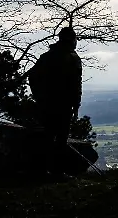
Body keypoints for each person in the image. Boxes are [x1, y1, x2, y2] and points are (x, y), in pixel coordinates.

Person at [27, 27, 82, 178]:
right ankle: (57, 172)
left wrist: (39, 96)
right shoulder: (72, 58)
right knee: (61, 139)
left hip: (46, 103)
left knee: (47, 136)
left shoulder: (46, 57)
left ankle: (41, 170)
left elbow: (32, 77)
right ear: (72, 40)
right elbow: (76, 84)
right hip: (63, 104)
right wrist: (76, 104)